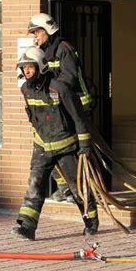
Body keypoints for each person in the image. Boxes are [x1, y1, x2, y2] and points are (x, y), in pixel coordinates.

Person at [11, 46, 98, 241]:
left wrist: (84, 145)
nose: (27, 71)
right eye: (24, 68)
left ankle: (91, 222)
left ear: (41, 66)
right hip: (42, 146)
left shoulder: (59, 89)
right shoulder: (26, 90)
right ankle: (26, 226)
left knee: (77, 188)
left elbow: (78, 118)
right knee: (35, 186)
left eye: (30, 67)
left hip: (65, 145)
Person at [28, 13, 93, 203]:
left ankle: (79, 191)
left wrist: (49, 88)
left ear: (48, 30)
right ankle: (66, 188)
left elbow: (69, 79)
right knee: (49, 147)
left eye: (37, 32)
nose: (35, 37)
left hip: (77, 105)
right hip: (59, 107)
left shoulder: (64, 49)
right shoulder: (44, 53)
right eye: (33, 34)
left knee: (69, 150)